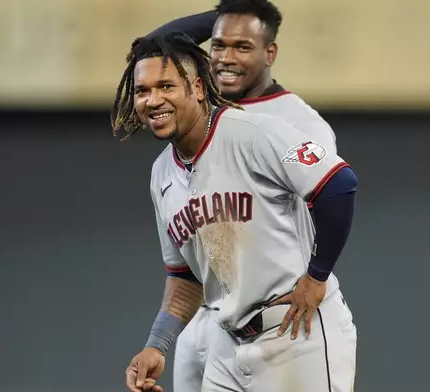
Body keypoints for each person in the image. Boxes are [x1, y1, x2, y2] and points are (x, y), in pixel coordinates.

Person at [113, 31, 357, 392]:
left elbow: (337, 183)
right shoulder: (161, 174)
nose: (153, 100)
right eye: (143, 91)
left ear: (197, 88)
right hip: (227, 345)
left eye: (166, 86)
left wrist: (317, 275)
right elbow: (185, 277)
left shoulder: (252, 132)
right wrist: (156, 344)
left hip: (294, 334)